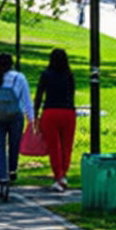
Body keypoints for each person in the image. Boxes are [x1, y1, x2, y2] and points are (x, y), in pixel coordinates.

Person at [0, 53, 34, 192]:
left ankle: (2, 177)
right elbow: (26, 100)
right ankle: (12, 170)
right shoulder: (19, 78)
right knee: (14, 144)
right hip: (15, 116)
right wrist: (31, 118)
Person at [34, 48, 76, 192]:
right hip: (68, 112)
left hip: (50, 112)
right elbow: (72, 93)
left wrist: (35, 113)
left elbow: (39, 94)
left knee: (54, 147)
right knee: (67, 146)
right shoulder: (69, 75)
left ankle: (58, 176)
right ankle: (63, 174)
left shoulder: (46, 75)